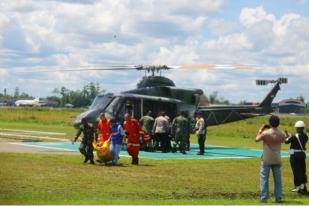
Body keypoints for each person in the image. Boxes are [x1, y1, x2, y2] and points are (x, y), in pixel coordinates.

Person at [256, 115, 286, 203]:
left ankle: (264, 198)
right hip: (277, 158)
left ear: (270, 123)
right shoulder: (281, 133)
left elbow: (256, 139)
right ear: (278, 123)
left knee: (264, 178)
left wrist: (261, 130)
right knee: (278, 179)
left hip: (266, 158)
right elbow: (284, 140)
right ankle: (278, 198)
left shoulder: (266, 133)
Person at [285, 120, 308, 194]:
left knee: (296, 171)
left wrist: (287, 136)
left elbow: (286, 141)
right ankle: (304, 186)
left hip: (294, 155)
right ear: (303, 128)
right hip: (302, 154)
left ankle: (298, 187)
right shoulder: (306, 136)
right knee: (302, 170)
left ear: (297, 128)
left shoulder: (294, 136)